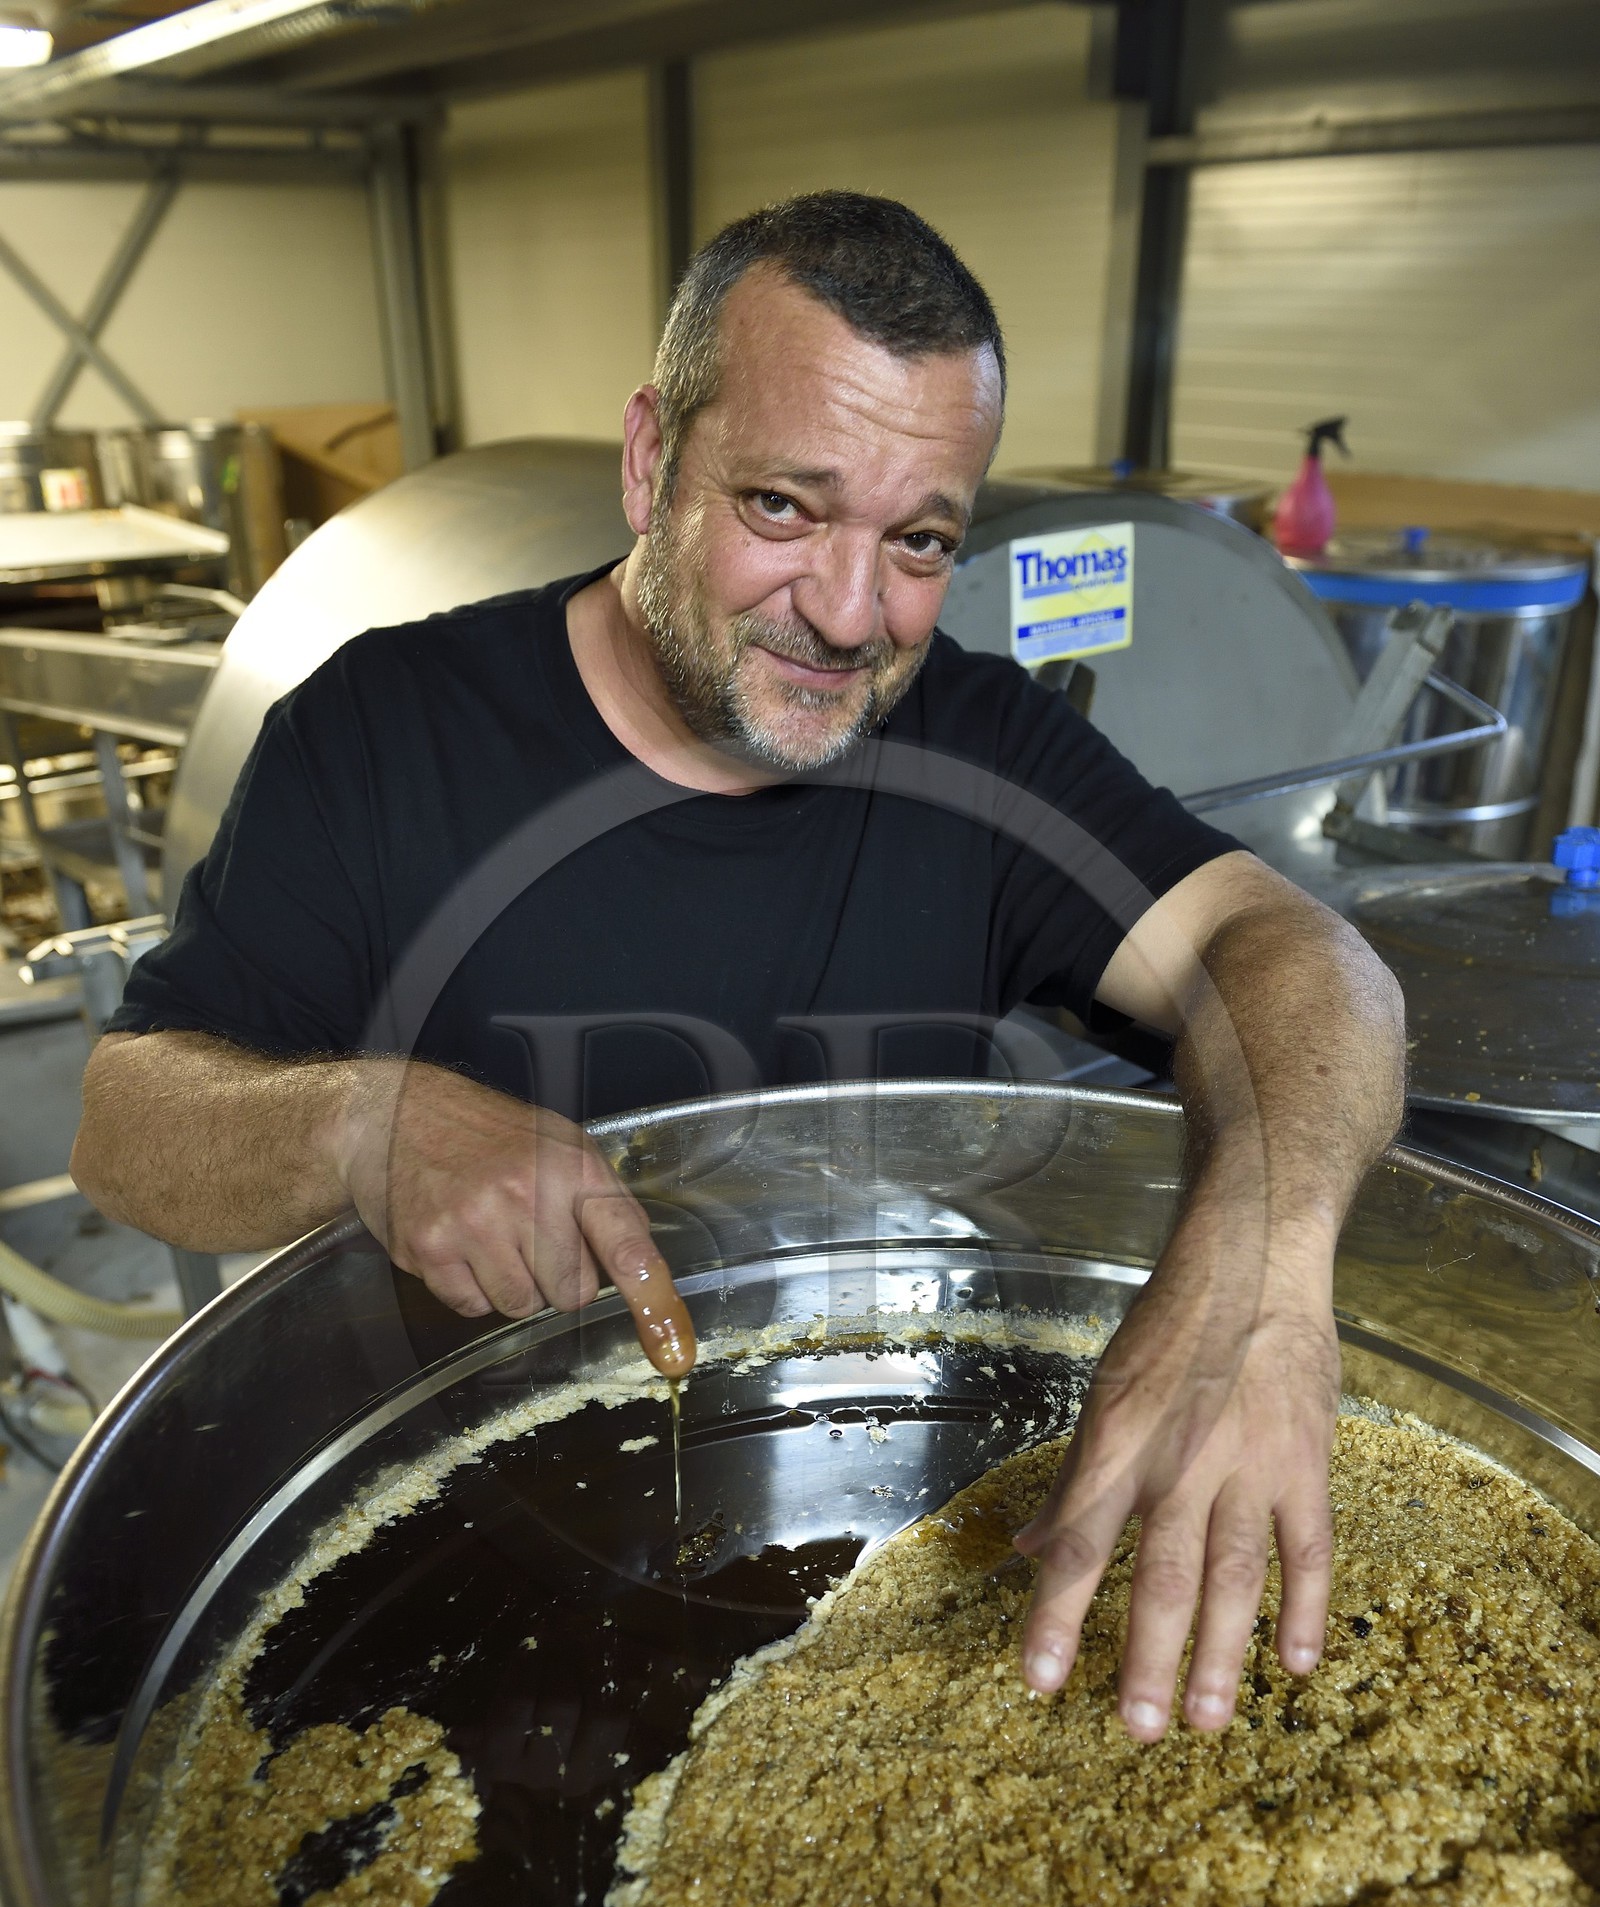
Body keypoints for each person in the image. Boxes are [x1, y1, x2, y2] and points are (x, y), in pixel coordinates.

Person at [71, 192, 1404, 1744]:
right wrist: (365, 1121)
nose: (850, 614)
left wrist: (1261, 1273)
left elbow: (1305, 961)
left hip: (878, 1550)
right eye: (784, 507)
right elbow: (123, 1122)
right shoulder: (385, 732)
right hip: (471, 1587)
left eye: (918, 542)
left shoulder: (979, 745)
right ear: (653, 462)